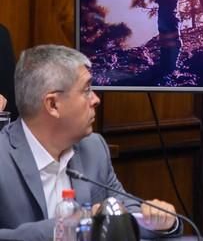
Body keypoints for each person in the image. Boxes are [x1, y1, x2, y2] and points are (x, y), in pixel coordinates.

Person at [0, 45, 181, 241]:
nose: (96, 99)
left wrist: (162, 222)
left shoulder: (92, 147)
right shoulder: (4, 157)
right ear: (53, 105)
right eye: (86, 90)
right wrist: (69, 226)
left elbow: (121, 208)